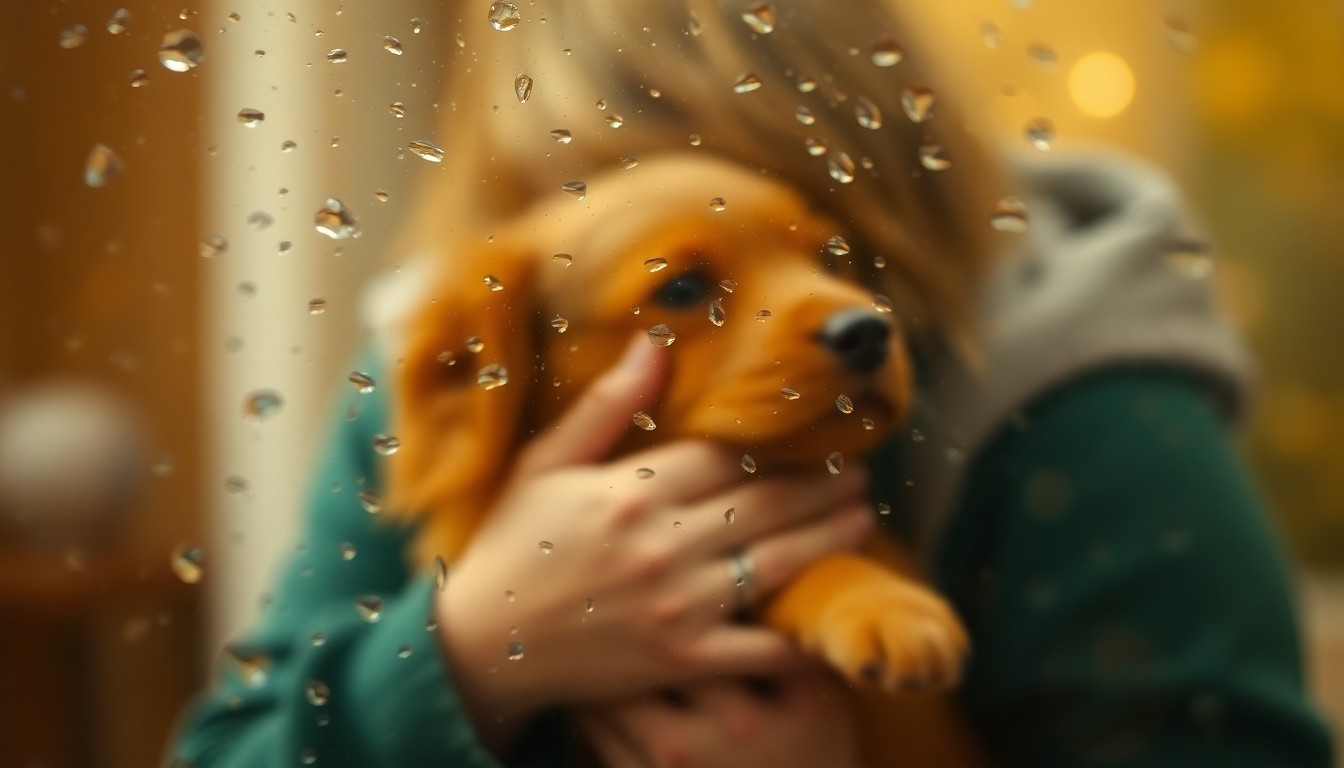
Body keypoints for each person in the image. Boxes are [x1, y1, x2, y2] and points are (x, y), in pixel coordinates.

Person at [169, 2, 1336, 766]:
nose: (837, 313)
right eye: (679, 283)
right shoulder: (460, 358)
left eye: (828, 255)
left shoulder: (1087, 403)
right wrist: (468, 650)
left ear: (885, 194)